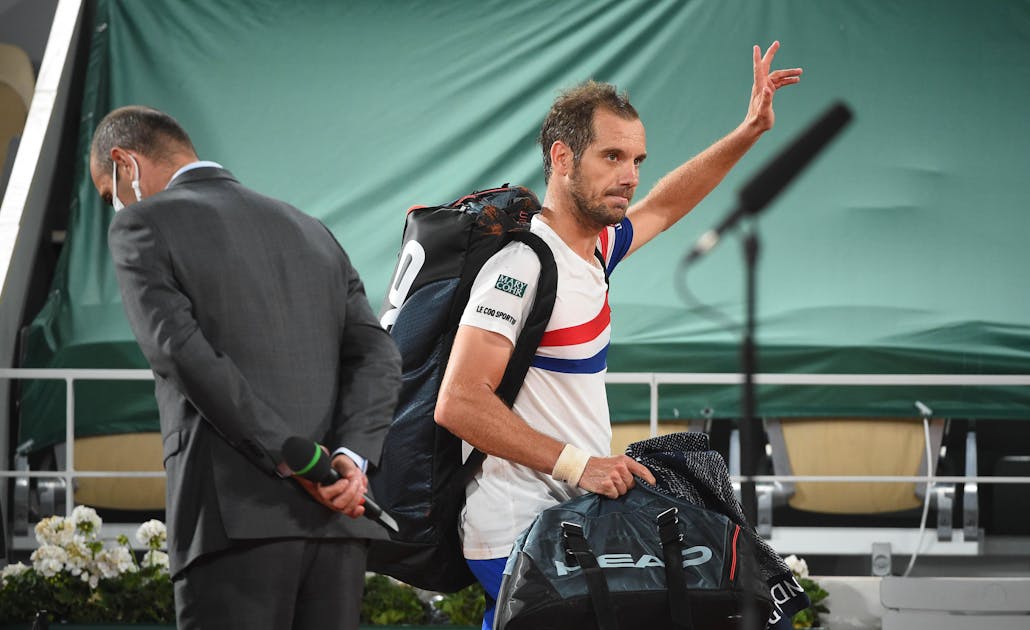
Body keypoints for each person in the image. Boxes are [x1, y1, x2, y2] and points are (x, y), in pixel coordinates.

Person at [433, 41, 801, 628]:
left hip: (562, 523)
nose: (629, 176)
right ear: (561, 157)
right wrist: (581, 464)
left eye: (637, 159)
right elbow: (459, 402)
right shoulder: (521, 266)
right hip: (515, 528)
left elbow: (666, 204)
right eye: (611, 156)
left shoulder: (597, 251)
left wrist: (750, 129)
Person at [93, 106, 402, 629]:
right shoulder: (311, 230)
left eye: (109, 193)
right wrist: (350, 457)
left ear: (126, 164)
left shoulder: (142, 223)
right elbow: (378, 354)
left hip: (231, 520)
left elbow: (179, 351)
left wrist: (296, 458)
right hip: (336, 522)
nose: (114, 206)